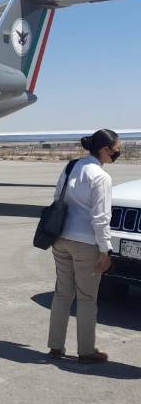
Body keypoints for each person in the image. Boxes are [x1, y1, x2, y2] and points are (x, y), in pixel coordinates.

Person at [47, 129, 120, 364]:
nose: (119, 151)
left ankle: (56, 346)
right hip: (86, 243)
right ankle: (86, 351)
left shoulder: (71, 167)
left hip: (60, 239)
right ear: (105, 150)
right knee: (87, 297)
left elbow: (57, 196)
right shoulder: (101, 177)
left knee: (62, 294)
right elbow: (101, 218)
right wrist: (105, 250)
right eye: (117, 147)